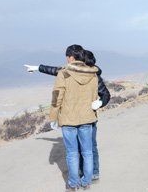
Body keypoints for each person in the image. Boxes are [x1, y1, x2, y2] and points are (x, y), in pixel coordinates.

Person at [24, 50, 109, 182]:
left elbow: (106, 95)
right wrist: (38, 68)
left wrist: (100, 102)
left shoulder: (92, 75)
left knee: (87, 148)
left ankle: (92, 173)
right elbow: (55, 70)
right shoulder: (74, 72)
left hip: (84, 118)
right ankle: (85, 176)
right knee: (85, 149)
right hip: (86, 117)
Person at [49, 44, 98, 191]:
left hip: (69, 119)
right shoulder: (92, 74)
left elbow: (56, 96)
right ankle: (86, 182)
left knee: (71, 153)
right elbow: (94, 97)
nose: (66, 60)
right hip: (87, 118)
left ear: (71, 57)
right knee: (87, 152)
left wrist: (53, 116)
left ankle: (73, 184)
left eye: (67, 57)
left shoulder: (64, 73)